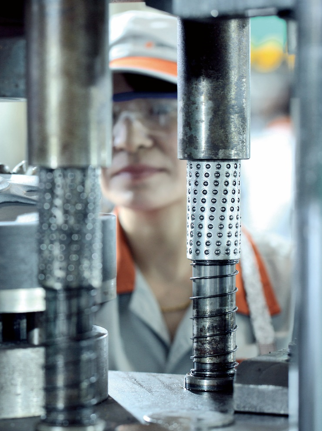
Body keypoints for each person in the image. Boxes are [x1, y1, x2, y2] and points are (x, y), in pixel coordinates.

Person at [95, 10, 293, 374]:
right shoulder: (67, 284)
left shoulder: (290, 279)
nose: (128, 140)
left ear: (217, 123)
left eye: (158, 111)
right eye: (106, 116)